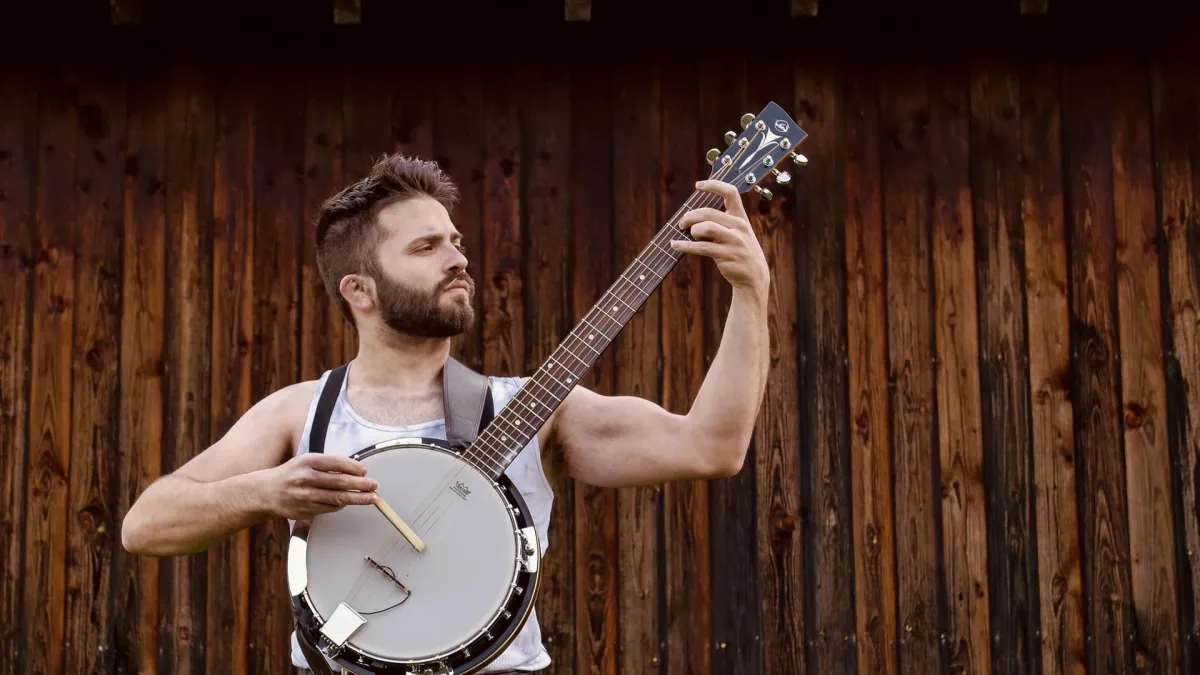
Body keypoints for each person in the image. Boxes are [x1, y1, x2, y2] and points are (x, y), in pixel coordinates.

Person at [120, 154, 771, 673]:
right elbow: (144, 524)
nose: (459, 258)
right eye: (427, 246)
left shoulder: (529, 409)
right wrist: (265, 489)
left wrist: (751, 293)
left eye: (456, 240)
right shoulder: (302, 412)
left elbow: (711, 447)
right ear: (360, 289)